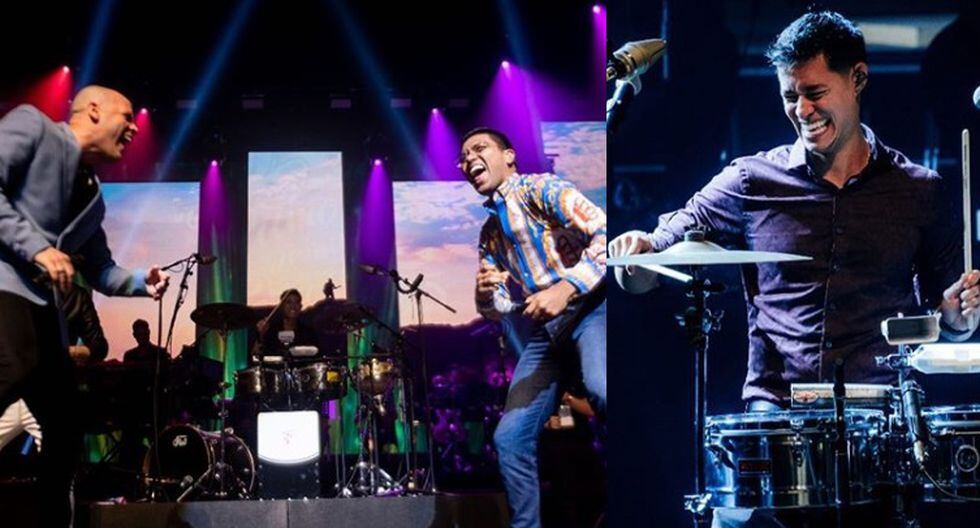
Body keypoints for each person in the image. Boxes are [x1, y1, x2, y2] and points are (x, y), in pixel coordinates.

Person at [608, 11, 980, 527]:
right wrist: (636, 254)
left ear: (858, 79)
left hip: (880, 424)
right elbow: (656, 250)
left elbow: (949, 319)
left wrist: (959, 316)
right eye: (789, 96)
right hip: (777, 418)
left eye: (814, 92)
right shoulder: (749, 180)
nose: (802, 110)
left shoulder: (920, 190)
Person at [0, 85, 170, 527]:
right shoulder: (33, 127)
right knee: (12, 369)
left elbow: (101, 269)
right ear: (93, 110)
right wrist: (38, 249)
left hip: (43, 313)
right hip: (4, 290)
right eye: (127, 116)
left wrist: (142, 282)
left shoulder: (94, 198)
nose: (135, 128)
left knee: (65, 428)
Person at [460, 127, 606, 528]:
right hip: (550, 333)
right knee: (509, 438)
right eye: (463, 157)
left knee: (603, 389)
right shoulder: (490, 234)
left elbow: (606, 234)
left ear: (509, 155)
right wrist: (484, 295)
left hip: (592, 307)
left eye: (479, 149)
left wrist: (566, 287)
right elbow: (498, 309)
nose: (469, 160)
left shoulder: (542, 190)